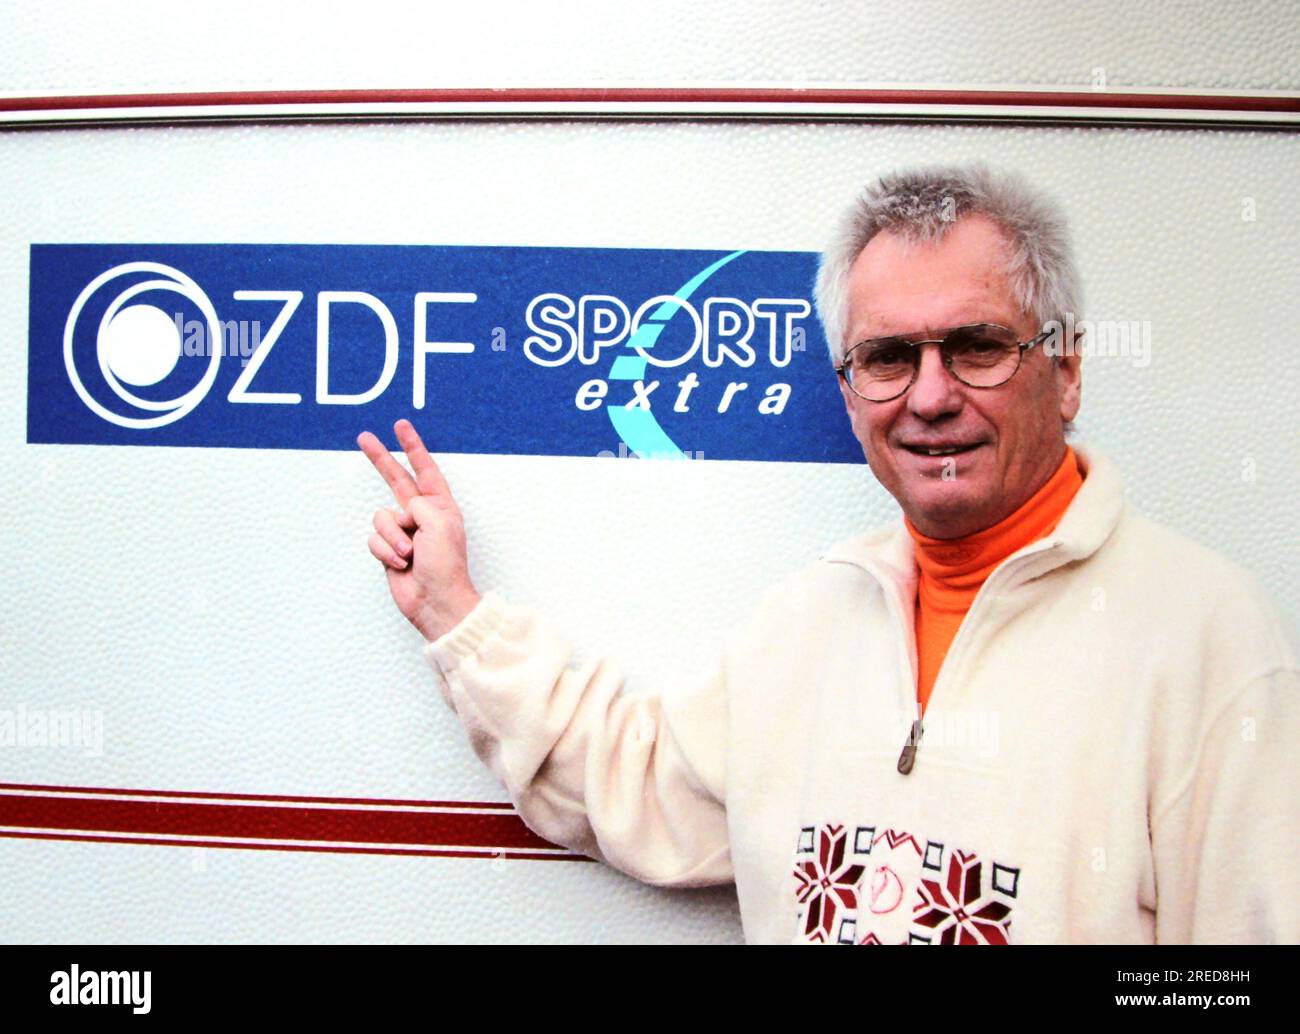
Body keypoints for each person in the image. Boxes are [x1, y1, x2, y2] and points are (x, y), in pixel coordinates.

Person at [357, 164, 1299, 945]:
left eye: (976, 346)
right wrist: (456, 613)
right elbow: (633, 786)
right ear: (850, 394)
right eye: (888, 357)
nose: (929, 396)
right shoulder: (812, 619)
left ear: (1067, 370)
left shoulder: (1205, 636)